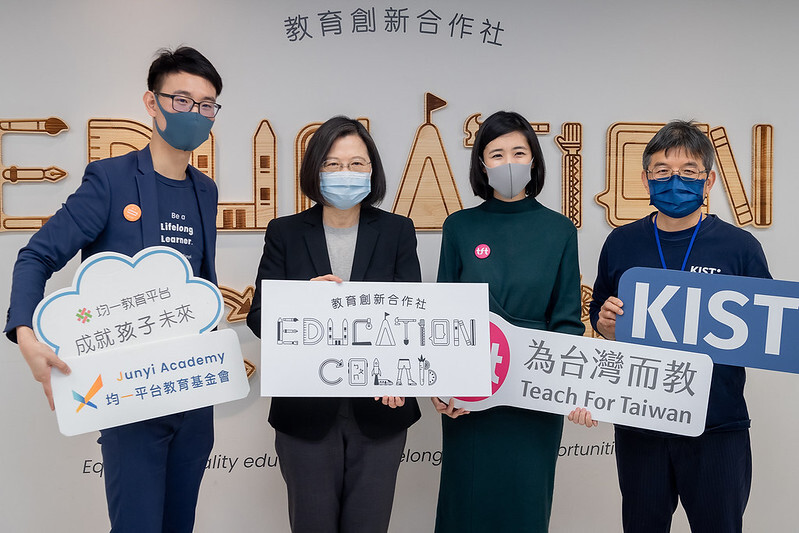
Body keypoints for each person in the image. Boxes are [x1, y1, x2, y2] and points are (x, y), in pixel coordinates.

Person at [5, 47, 223, 532]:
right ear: (152, 103)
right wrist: (25, 333)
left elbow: (200, 285)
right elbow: (36, 255)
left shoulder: (204, 190)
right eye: (182, 100)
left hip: (192, 391)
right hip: (130, 396)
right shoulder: (111, 180)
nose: (195, 113)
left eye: (207, 105)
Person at [585, 120, 770, 533]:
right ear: (645, 177)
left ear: (709, 180)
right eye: (662, 171)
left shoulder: (739, 247)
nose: (675, 181)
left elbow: (765, 330)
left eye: (688, 171)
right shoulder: (622, 242)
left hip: (716, 425)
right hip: (640, 422)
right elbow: (601, 315)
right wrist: (606, 323)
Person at [246, 116, 422, 533]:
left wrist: (400, 375)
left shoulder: (397, 231)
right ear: (314, 170)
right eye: (332, 164)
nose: (346, 174)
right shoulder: (285, 233)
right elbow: (258, 317)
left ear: (373, 171)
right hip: (305, 413)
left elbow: (412, 317)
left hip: (381, 409)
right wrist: (304, 302)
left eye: (357, 164)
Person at [432, 110, 585, 532]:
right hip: (473, 398)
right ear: (482, 165)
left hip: (535, 396)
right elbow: (444, 315)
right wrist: (441, 384)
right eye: (496, 154)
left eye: (519, 151)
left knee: (525, 508)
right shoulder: (460, 226)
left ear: (534, 159)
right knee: (466, 508)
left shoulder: (559, 230)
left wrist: (566, 384)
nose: (509, 162)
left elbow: (568, 319)